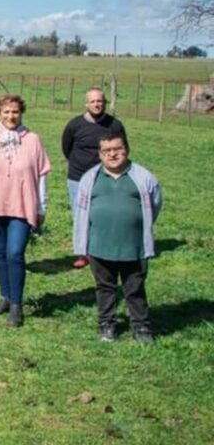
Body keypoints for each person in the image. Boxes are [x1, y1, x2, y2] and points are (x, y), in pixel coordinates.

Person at [0, 95, 51, 328]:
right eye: (5, 112)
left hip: (22, 205)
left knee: (15, 252)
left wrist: (41, 206)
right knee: (0, 252)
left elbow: (42, 174)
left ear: (21, 113)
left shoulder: (33, 140)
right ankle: (5, 296)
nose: (10, 116)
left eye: (14, 112)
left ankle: (17, 305)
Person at [74, 133, 162, 344]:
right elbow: (81, 211)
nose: (112, 154)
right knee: (105, 288)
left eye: (117, 149)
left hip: (133, 247)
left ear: (127, 150)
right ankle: (107, 324)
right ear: (100, 154)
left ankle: (141, 327)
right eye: (107, 151)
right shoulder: (90, 178)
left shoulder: (143, 177)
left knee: (134, 289)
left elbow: (155, 204)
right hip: (100, 246)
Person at [62, 87, 127, 269]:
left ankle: (103, 251)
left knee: (104, 213)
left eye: (100, 101)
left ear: (105, 103)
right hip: (78, 177)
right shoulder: (75, 125)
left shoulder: (115, 125)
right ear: (86, 104)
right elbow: (66, 147)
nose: (97, 104)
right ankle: (83, 253)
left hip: (105, 177)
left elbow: (123, 149)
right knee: (80, 215)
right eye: (93, 101)